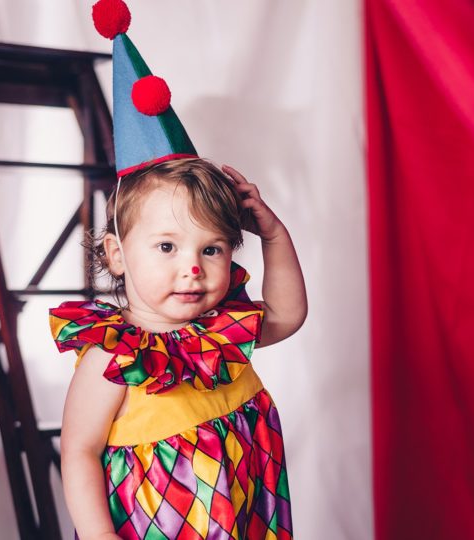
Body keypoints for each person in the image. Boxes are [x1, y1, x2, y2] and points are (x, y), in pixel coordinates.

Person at [49, 1, 306, 538]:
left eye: (211, 249)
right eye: (167, 247)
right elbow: (79, 452)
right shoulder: (113, 357)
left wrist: (276, 237)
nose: (192, 267)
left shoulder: (220, 333)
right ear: (118, 255)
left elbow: (287, 314)